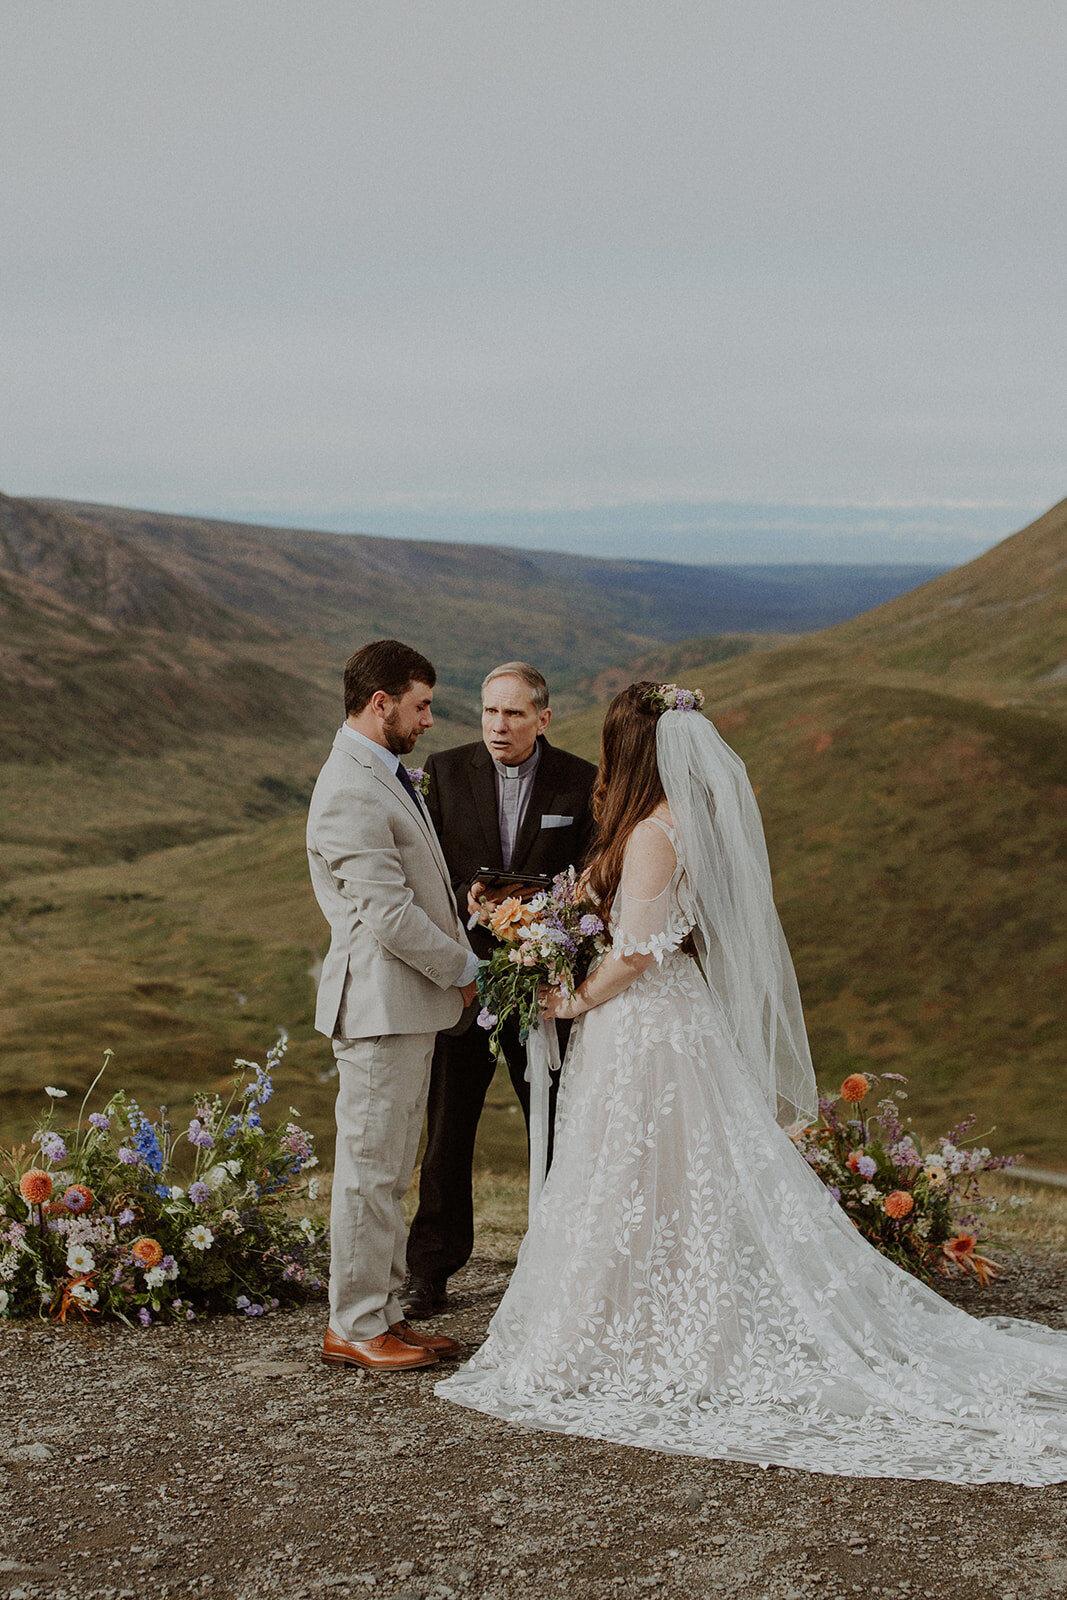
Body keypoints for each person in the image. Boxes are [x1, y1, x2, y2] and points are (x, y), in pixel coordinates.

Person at [436, 682, 1067, 1483]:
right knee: (653, 1175)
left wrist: (569, 998)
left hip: (646, 1028)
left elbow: (634, 952)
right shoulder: (667, 821)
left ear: (631, 749)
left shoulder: (653, 835)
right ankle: (644, 1307)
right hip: (661, 1022)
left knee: (644, 1170)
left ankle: (656, 1326)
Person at [404, 662, 596, 1319]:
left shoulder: (580, 781)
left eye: (513, 714)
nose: (497, 726)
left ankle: (558, 1264)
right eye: (489, 711)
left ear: (542, 718)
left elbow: (592, 875)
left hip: (543, 990)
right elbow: (424, 866)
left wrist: (548, 923)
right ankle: (429, 1272)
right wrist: (465, 898)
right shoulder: (447, 770)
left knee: (555, 1123)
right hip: (465, 981)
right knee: (448, 1129)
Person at [306, 639, 479, 1372]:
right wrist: (469, 969)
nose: (429, 721)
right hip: (378, 1009)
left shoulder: (382, 774)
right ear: (381, 704)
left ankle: (383, 1312)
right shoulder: (349, 786)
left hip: (405, 1007)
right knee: (369, 1172)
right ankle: (351, 1323)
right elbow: (390, 915)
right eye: (420, 706)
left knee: (389, 1170)